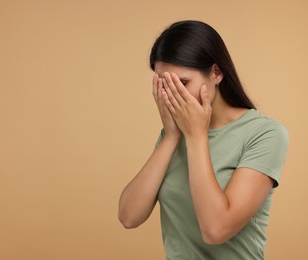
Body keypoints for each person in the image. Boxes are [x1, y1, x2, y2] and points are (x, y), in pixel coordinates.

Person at [118, 20, 289, 260]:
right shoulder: (173, 134)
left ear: (216, 73)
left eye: (183, 83)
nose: (172, 95)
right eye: (164, 84)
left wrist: (196, 136)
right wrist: (171, 137)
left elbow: (215, 230)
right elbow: (129, 216)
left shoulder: (265, 134)